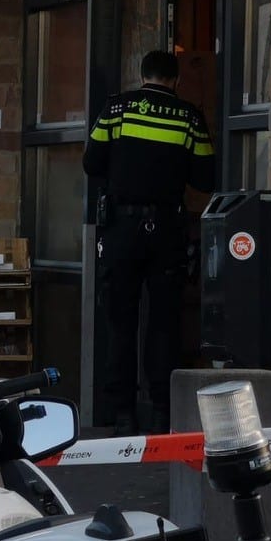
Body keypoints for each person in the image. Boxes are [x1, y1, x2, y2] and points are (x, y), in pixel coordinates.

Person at [83, 50, 214, 436]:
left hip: (121, 231)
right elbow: (205, 179)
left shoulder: (117, 110)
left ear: (142, 76)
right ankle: (161, 413)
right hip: (166, 230)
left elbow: (91, 163)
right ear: (175, 81)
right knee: (164, 324)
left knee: (120, 323)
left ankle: (123, 415)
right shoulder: (190, 117)